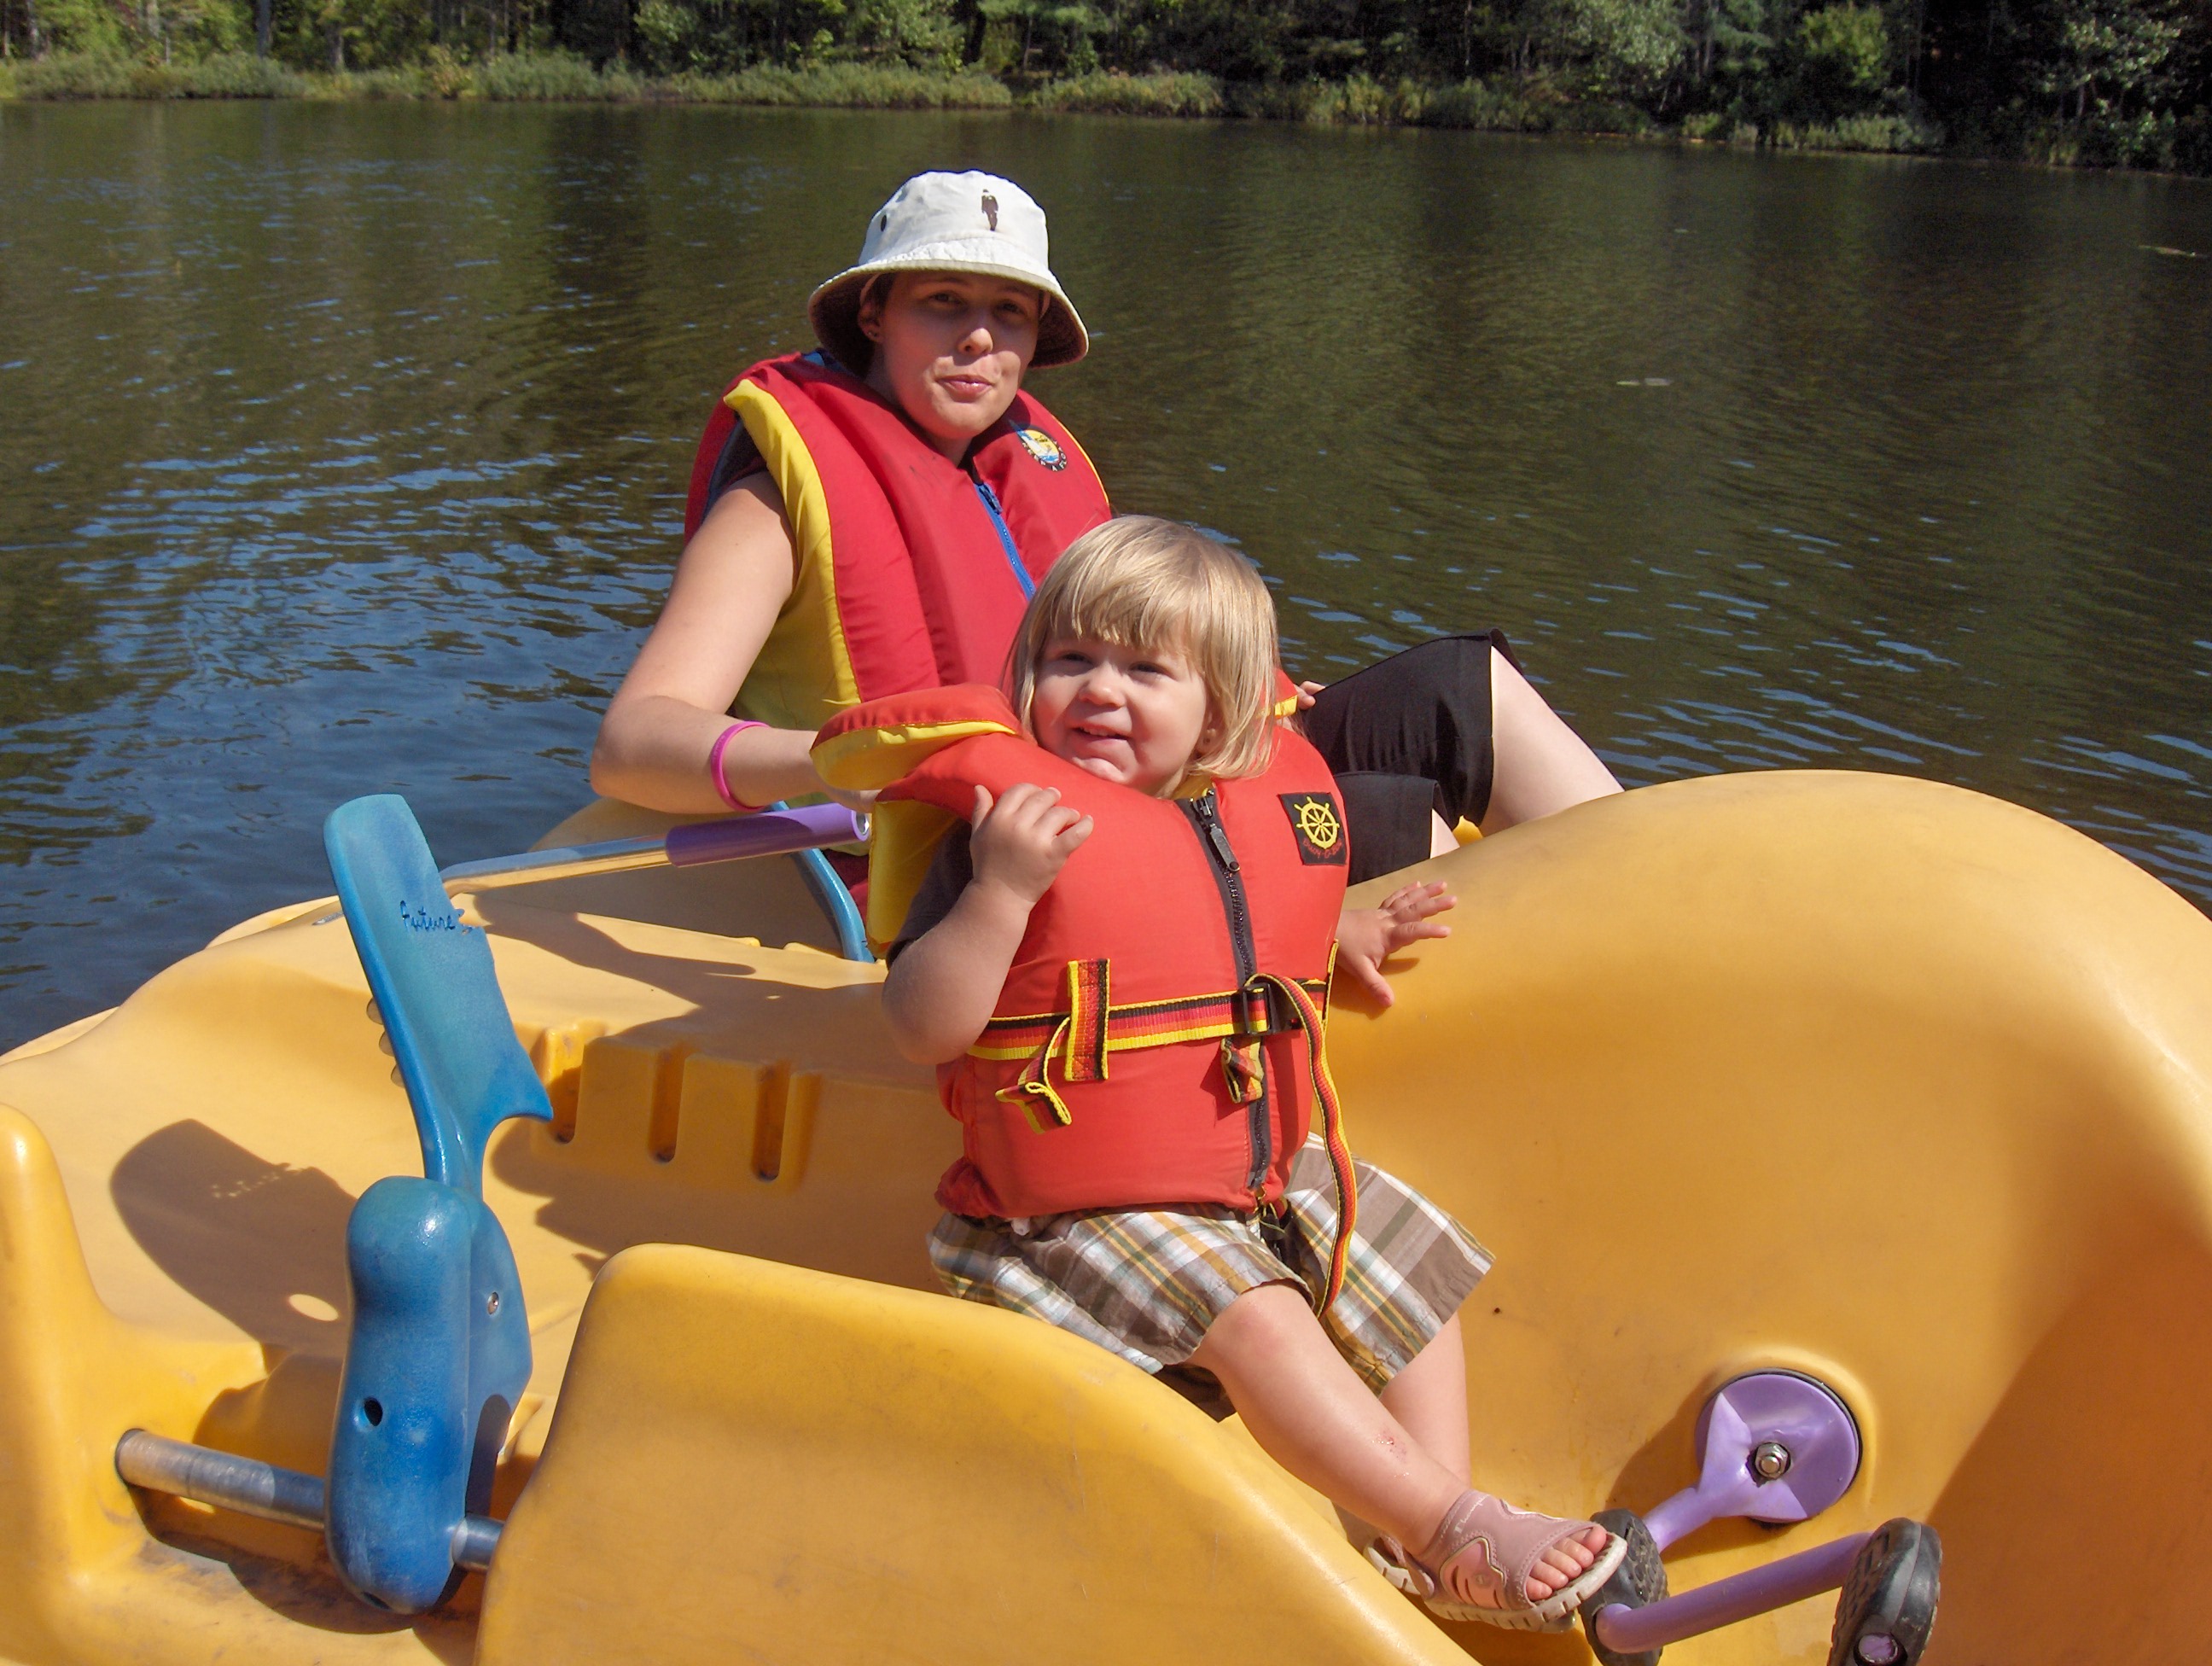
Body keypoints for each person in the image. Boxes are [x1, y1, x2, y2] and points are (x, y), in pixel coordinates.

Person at [812, 518, 1626, 1629]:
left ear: (1219, 713)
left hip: (1244, 1170)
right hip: (1064, 1218)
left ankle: (1433, 1531)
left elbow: (1226, 929)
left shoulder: (1230, 809)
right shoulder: (1010, 831)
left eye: (1145, 670)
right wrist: (1000, 894)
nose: (1100, 692)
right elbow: (922, 1025)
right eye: (1070, 659)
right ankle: (1454, 1527)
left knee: (1406, 1251)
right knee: (1259, 1315)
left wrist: (1334, 935)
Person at [590, 169, 1621, 887]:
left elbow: (1136, 636)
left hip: (1134, 767)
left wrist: (1244, 683)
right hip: (992, 838)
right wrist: (843, 760)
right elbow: (633, 743)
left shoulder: (1036, 461)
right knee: (1396, 827)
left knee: (1462, 690)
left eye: (1011, 312)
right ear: (875, 313)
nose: (980, 338)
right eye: (943, 301)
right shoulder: (776, 504)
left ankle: (1638, 908)